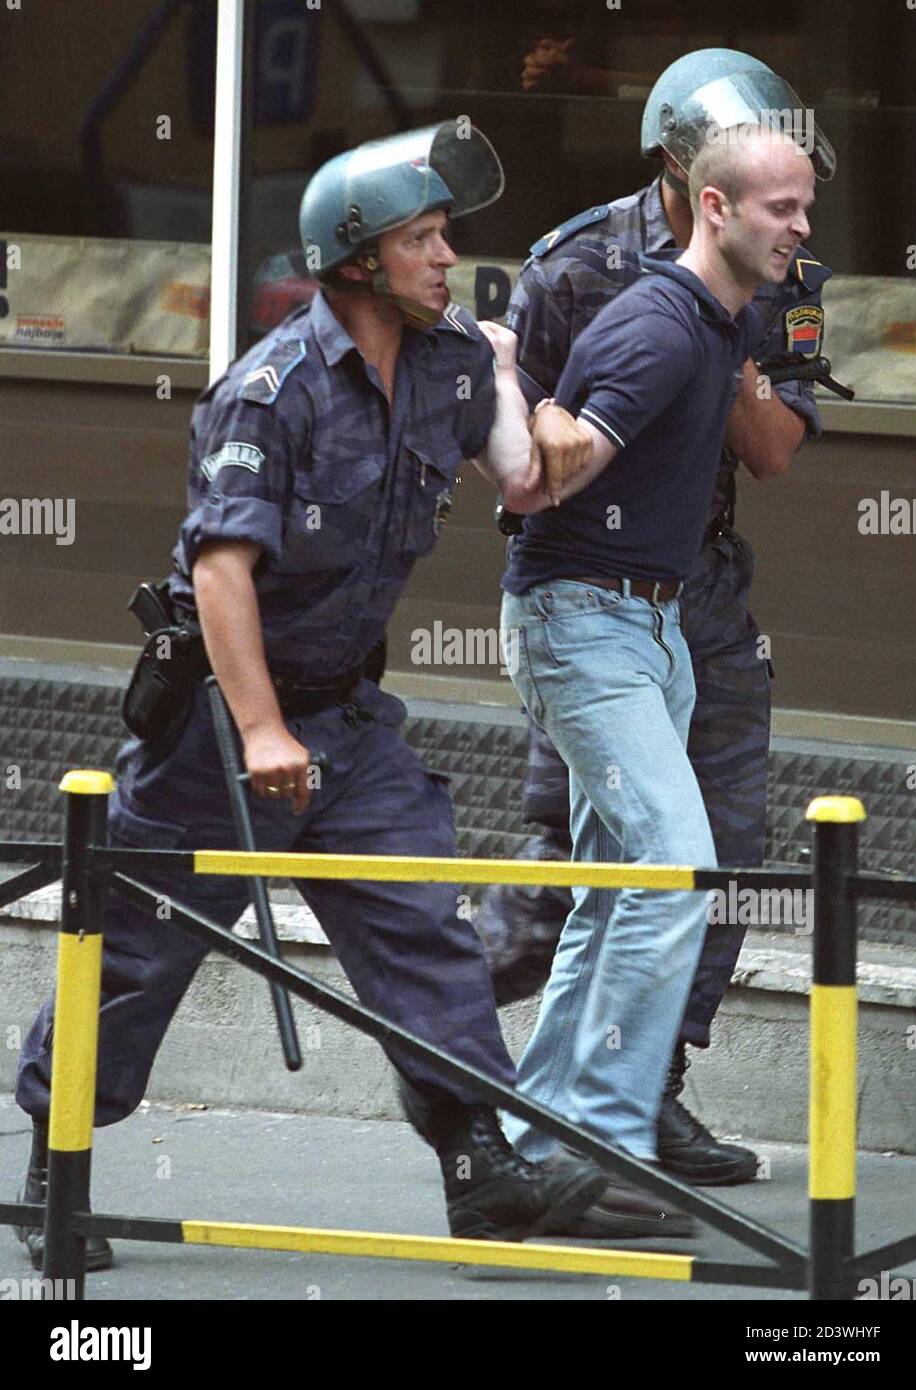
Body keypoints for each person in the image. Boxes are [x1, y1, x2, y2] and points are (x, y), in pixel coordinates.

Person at [13, 121, 611, 1272]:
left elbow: (529, 483)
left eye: (447, 237)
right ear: (356, 260)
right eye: (424, 240)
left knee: (420, 927)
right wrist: (259, 728)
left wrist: (547, 379)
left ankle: (479, 1164)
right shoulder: (269, 392)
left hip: (345, 717)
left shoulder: (446, 362)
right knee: (136, 952)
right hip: (222, 727)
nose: (447, 259)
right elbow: (220, 568)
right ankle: (60, 1165)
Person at [473, 49, 837, 1191]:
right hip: (593, 604)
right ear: (687, 178)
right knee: (585, 871)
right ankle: (510, 1101)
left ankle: (623, 1108)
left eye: (802, 205)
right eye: (777, 205)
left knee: (708, 858)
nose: (798, 226)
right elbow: (527, 465)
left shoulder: (767, 276)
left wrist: (726, 335)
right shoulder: (578, 269)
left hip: (697, 597)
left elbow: (774, 449)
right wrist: (689, 320)